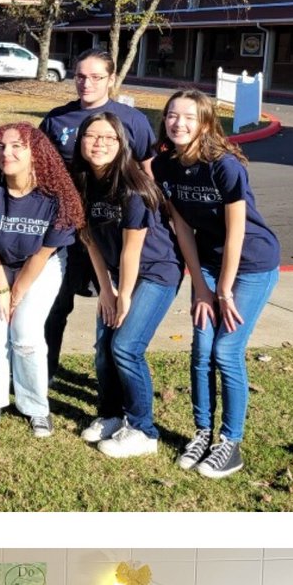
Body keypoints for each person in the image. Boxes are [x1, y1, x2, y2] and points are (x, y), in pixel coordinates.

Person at [154, 89, 281, 479]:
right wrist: (202, 284)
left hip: (252, 263)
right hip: (208, 263)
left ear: (206, 123)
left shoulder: (224, 166)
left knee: (226, 351)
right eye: (173, 115)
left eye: (189, 117)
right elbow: (181, 226)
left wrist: (223, 290)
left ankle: (231, 442)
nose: (179, 123)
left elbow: (237, 230)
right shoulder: (164, 166)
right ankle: (203, 431)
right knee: (201, 349)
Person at [0, 122, 82, 437]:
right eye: (0, 147)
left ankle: (36, 407)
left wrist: (17, 293)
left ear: (35, 152)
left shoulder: (58, 196)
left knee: (25, 333)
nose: (5, 153)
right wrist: (0, 288)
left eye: (15, 147)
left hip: (41, 265)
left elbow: (42, 255)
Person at [38, 48, 156, 394]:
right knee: (56, 306)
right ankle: (45, 372)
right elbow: (41, 172)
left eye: (95, 77)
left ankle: (114, 380)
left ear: (111, 79)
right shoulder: (56, 119)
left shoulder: (131, 121)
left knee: (115, 305)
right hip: (68, 232)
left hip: (113, 232)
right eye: (80, 76)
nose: (86, 83)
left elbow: (147, 171)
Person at [70, 110, 184, 455]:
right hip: (117, 273)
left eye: (109, 137)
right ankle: (111, 415)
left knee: (126, 347)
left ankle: (143, 430)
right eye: (92, 136)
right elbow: (89, 239)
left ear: (122, 144)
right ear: (81, 142)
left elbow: (132, 251)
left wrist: (125, 297)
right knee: (104, 349)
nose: (99, 143)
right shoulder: (83, 181)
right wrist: (106, 289)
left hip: (155, 271)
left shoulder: (132, 187)